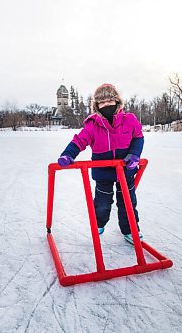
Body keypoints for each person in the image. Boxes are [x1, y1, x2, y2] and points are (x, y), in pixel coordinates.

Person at [57, 84, 145, 244]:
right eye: (102, 103)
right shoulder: (93, 125)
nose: (107, 105)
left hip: (126, 171)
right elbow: (79, 141)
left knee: (128, 202)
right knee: (102, 204)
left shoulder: (129, 120)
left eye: (110, 101)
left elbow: (138, 137)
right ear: (97, 106)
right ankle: (99, 224)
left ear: (117, 102)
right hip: (103, 172)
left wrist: (134, 155)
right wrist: (67, 155)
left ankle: (130, 229)